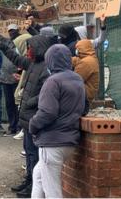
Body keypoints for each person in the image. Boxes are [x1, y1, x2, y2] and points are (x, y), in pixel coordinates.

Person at [0, 33, 52, 197]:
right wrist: (1, 44)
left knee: (33, 153)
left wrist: (30, 102)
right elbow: (15, 58)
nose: (28, 52)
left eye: (30, 48)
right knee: (28, 151)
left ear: (39, 49)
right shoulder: (33, 64)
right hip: (27, 118)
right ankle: (28, 180)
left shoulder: (45, 68)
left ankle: (34, 184)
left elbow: (45, 93)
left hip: (34, 117)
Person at [30, 44, 85, 198]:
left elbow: (47, 113)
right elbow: (84, 107)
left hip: (52, 142)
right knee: (38, 174)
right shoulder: (77, 79)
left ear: (50, 61)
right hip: (69, 141)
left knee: (52, 191)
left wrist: (32, 125)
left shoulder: (52, 81)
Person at [72, 40, 99, 105]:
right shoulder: (90, 57)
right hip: (88, 92)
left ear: (81, 49)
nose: (76, 50)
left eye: (77, 48)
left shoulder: (86, 62)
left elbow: (74, 79)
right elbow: (76, 60)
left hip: (85, 95)